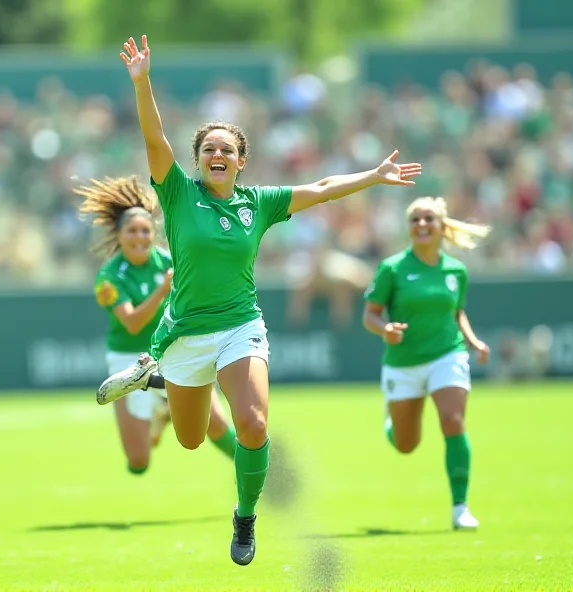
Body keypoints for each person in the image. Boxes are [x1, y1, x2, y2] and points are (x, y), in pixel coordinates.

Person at [98, 35, 421, 566]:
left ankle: (245, 517)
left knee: (252, 424)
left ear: (241, 160)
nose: (217, 154)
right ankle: (159, 377)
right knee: (188, 440)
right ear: (198, 161)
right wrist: (142, 82)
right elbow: (155, 138)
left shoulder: (259, 202)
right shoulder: (178, 193)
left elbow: (321, 186)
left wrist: (374, 176)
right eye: (208, 149)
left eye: (227, 149)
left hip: (239, 326)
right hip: (184, 336)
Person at [75, 175, 238, 476]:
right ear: (119, 236)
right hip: (128, 360)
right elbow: (134, 323)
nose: (140, 237)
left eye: (145, 231)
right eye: (132, 231)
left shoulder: (167, 261)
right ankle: (159, 413)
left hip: (171, 351)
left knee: (215, 423)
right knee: (139, 463)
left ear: (154, 234)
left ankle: (258, 470)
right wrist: (163, 290)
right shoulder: (109, 278)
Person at [362, 196, 491, 531]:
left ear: (442, 227)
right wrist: (385, 329)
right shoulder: (392, 268)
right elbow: (370, 315)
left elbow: (456, 311)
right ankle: (393, 419)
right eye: (415, 219)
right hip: (403, 363)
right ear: (409, 228)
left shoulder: (456, 271)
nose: (422, 224)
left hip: (447, 354)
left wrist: (473, 340)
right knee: (406, 444)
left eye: (429, 219)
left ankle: (460, 507)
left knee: (452, 420)